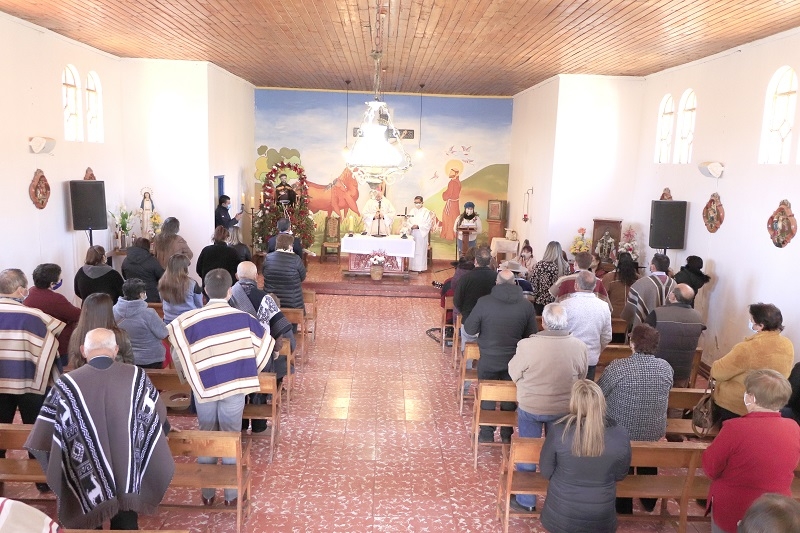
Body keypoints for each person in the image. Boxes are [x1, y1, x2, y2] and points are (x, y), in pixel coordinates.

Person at [25, 328, 174, 530]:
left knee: (87, 520)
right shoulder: (136, 377)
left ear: (83, 351)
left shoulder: (66, 384)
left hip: (84, 472)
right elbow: (158, 422)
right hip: (126, 469)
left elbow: (43, 435)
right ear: (115, 349)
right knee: (126, 521)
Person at [167, 269, 274, 507]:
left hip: (203, 389)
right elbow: (265, 347)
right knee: (230, 437)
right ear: (229, 291)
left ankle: (206, 495)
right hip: (234, 387)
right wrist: (248, 372)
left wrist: (190, 378)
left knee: (206, 435)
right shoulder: (244, 319)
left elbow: (178, 353)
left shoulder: (189, 320)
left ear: (205, 291)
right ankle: (231, 496)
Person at [507, 302, 588, 512]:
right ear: (566, 323)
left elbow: (514, 373)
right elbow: (582, 377)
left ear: (543, 322)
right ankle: (558, 500)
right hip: (563, 408)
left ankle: (527, 501)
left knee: (528, 449)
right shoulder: (579, 346)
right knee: (560, 452)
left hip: (531, 406)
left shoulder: (527, 345)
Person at [702, 370, 800, 533]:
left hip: (734, 506)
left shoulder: (734, 428)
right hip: (774, 515)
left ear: (752, 398)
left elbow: (711, 468)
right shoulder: (794, 428)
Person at [0, 268, 64, 494]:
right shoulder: (34, 316)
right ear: (19, 290)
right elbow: (50, 349)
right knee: (38, 429)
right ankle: (42, 479)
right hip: (30, 383)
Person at [597, 324, 673, 514]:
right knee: (649, 460)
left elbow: (600, 392)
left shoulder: (618, 367)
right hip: (653, 430)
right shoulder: (665, 368)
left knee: (622, 461)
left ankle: (623, 505)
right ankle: (649, 501)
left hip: (620, 430)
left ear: (632, 344)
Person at [538, 379, 631, 532]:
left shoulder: (559, 432)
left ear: (574, 402)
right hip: (601, 512)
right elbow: (621, 474)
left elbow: (546, 471)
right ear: (601, 403)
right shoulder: (620, 434)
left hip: (562, 512)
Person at [464, 269, 538, 444]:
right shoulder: (526, 305)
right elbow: (531, 335)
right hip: (514, 359)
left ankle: (486, 434)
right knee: (510, 395)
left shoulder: (484, 302)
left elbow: (469, 329)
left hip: (489, 358)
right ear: (515, 283)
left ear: (496, 283)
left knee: (487, 393)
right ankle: (506, 434)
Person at [229, 261, 295, 433]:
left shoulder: (228, 297)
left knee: (239, 390)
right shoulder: (266, 298)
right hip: (261, 355)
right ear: (256, 277)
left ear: (236, 276)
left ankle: (241, 425)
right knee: (259, 389)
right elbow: (278, 329)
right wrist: (274, 351)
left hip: (236, 354)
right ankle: (259, 426)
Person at [711, 303, 794, 423]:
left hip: (738, 405)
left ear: (760, 325)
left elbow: (718, 372)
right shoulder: (787, 344)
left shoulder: (747, 348)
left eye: (752, 319)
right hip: (769, 404)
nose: (749, 321)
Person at [645, 284, 706, 388]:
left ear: (673, 296)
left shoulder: (657, 313)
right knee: (678, 399)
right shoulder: (698, 317)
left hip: (657, 369)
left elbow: (644, 336)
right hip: (683, 370)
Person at [24, 263, 81, 368]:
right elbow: (77, 315)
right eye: (60, 278)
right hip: (57, 345)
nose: (62, 279)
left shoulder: (30, 293)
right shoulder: (56, 300)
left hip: (36, 344)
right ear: (52, 284)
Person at [561, 271, 612, 380]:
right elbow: (607, 336)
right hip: (590, 357)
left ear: (576, 285)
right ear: (594, 287)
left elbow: (559, 332)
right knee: (586, 393)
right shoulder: (604, 306)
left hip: (568, 357)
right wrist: (597, 350)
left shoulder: (564, 305)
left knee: (568, 393)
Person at [113, 278, 168, 369]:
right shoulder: (148, 313)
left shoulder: (114, 310)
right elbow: (163, 333)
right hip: (151, 358)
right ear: (141, 294)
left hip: (126, 357)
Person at [68, 293, 134, 367]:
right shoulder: (120, 334)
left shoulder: (77, 333)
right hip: (116, 376)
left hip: (84, 376)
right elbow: (129, 362)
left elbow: (74, 361)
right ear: (109, 312)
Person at [453, 246, 497, 350]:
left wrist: (465, 312)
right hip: (490, 323)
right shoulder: (497, 278)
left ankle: (467, 364)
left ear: (475, 261)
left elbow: (457, 301)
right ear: (489, 261)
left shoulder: (465, 278)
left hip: (469, 320)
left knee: (467, 350)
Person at [621, 252, 675, 327]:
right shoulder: (675, 284)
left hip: (646, 330)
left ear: (653, 266)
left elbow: (629, 313)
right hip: (668, 328)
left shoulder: (640, 283)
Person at [263, 233, 307, 310]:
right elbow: (302, 277)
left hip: (271, 302)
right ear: (290, 245)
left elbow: (264, 274)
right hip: (293, 303)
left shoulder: (268, 258)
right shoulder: (296, 259)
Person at [158, 253, 203, 324]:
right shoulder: (192, 283)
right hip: (189, 320)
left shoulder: (162, 282)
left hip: (169, 321)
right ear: (184, 268)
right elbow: (199, 305)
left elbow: (162, 300)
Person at [529, 241, 570, 315]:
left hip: (541, 301)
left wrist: (533, 299)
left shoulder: (541, 264)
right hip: (558, 302)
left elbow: (533, 284)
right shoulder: (565, 265)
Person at [121, 237, 164, 302]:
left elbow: (125, 277)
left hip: (132, 298)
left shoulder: (126, 261)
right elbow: (162, 276)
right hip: (151, 297)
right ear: (147, 247)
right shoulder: (152, 261)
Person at [601, 251, 640, 321]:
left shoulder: (609, 278)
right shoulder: (639, 279)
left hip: (613, 316)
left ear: (617, 262)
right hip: (633, 317)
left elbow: (602, 298)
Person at [408, 196, 433, 272]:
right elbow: (408, 221)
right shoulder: (412, 211)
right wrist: (411, 226)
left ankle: (420, 268)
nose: (417, 204)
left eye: (418, 203)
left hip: (421, 234)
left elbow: (428, 224)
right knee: (413, 250)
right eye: (415, 203)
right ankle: (412, 267)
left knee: (420, 251)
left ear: (422, 202)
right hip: (413, 234)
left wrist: (418, 226)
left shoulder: (426, 212)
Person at [440, 164, 462, 240]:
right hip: (455, 203)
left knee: (447, 217)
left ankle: (449, 235)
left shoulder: (453, 182)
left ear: (456, 174)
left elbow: (449, 193)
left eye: (451, 172)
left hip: (451, 203)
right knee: (455, 217)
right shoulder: (457, 182)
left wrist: (444, 194)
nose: (450, 174)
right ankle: (452, 234)